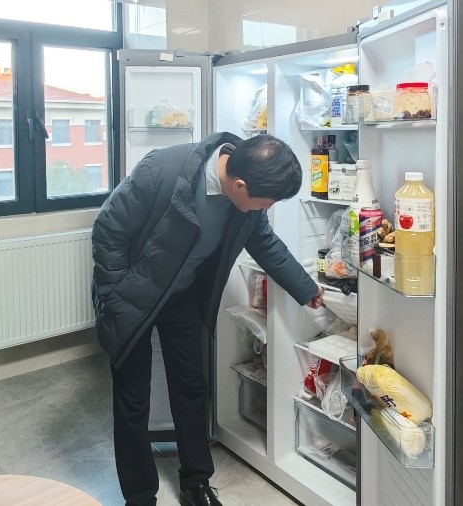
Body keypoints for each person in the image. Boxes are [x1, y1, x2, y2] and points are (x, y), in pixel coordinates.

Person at [92, 132, 326, 506]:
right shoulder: (160, 170)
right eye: (265, 203)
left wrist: (305, 287)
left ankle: (195, 481)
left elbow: (265, 242)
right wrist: (115, 294)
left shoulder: (245, 198)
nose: (264, 209)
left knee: (191, 386)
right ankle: (140, 497)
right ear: (240, 185)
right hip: (133, 296)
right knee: (132, 397)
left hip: (182, 295)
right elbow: (108, 230)